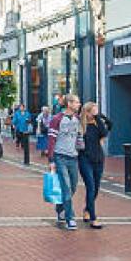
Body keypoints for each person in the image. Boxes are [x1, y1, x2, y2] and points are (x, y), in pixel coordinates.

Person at [47, 95, 82, 231]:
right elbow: (51, 140)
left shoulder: (77, 119)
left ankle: (60, 207)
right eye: (77, 102)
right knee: (66, 188)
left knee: (73, 186)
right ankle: (70, 218)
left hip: (73, 157)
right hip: (60, 157)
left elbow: (79, 136)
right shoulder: (57, 119)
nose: (79, 104)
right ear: (69, 104)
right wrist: (51, 160)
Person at [78, 102, 111, 229]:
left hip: (98, 159)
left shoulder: (98, 123)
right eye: (93, 110)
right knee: (90, 187)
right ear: (87, 112)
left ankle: (87, 209)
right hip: (85, 159)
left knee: (96, 188)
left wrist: (98, 117)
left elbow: (104, 133)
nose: (95, 112)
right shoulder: (80, 125)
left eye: (96, 110)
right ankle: (93, 218)